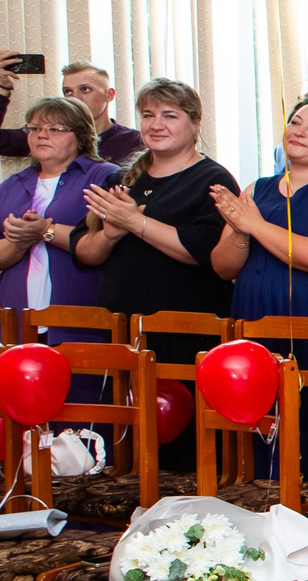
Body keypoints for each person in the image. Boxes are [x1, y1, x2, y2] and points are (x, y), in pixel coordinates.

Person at [210, 95, 308, 483]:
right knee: (256, 413)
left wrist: (255, 225)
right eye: (295, 122)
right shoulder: (258, 188)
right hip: (254, 318)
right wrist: (240, 230)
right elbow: (223, 266)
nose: (299, 132)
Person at [73, 82, 241, 410]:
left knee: (184, 421)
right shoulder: (119, 180)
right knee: (128, 424)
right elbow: (84, 251)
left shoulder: (213, 180)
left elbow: (206, 254)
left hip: (186, 329)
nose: (156, 124)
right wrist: (110, 234)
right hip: (124, 326)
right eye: (148, 115)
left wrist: (134, 222)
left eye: (169, 115)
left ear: (195, 123)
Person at [0, 96, 119, 347]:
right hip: (18, 323)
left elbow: (112, 242)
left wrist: (45, 231)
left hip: (82, 319)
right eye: (34, 128)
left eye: (55, 129)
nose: (42, 135)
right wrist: (18, 243)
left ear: (81, 136)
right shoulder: (10, 186)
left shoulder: (104, 177)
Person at [0, 54, 141, 163]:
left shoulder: (135, 141)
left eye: (85, 89)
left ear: (109, 95)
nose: (75, 98)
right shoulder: (48, 136)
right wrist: (3, 88)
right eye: (68, 92)